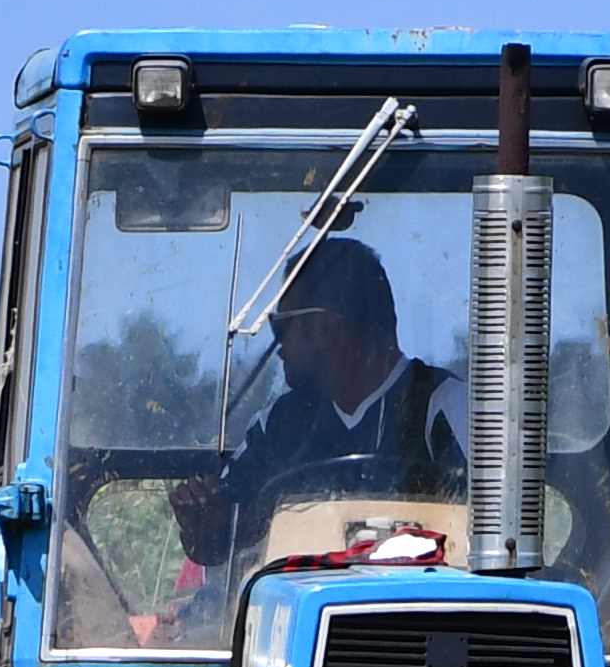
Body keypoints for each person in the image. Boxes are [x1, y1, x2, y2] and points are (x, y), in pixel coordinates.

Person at [169, 234, 458, 571]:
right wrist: (206, 522)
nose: (279, 349)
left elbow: (480, 539)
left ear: (324, 327)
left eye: (282, 329)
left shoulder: (443, 407)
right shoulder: (278, 424)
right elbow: (224, 540)